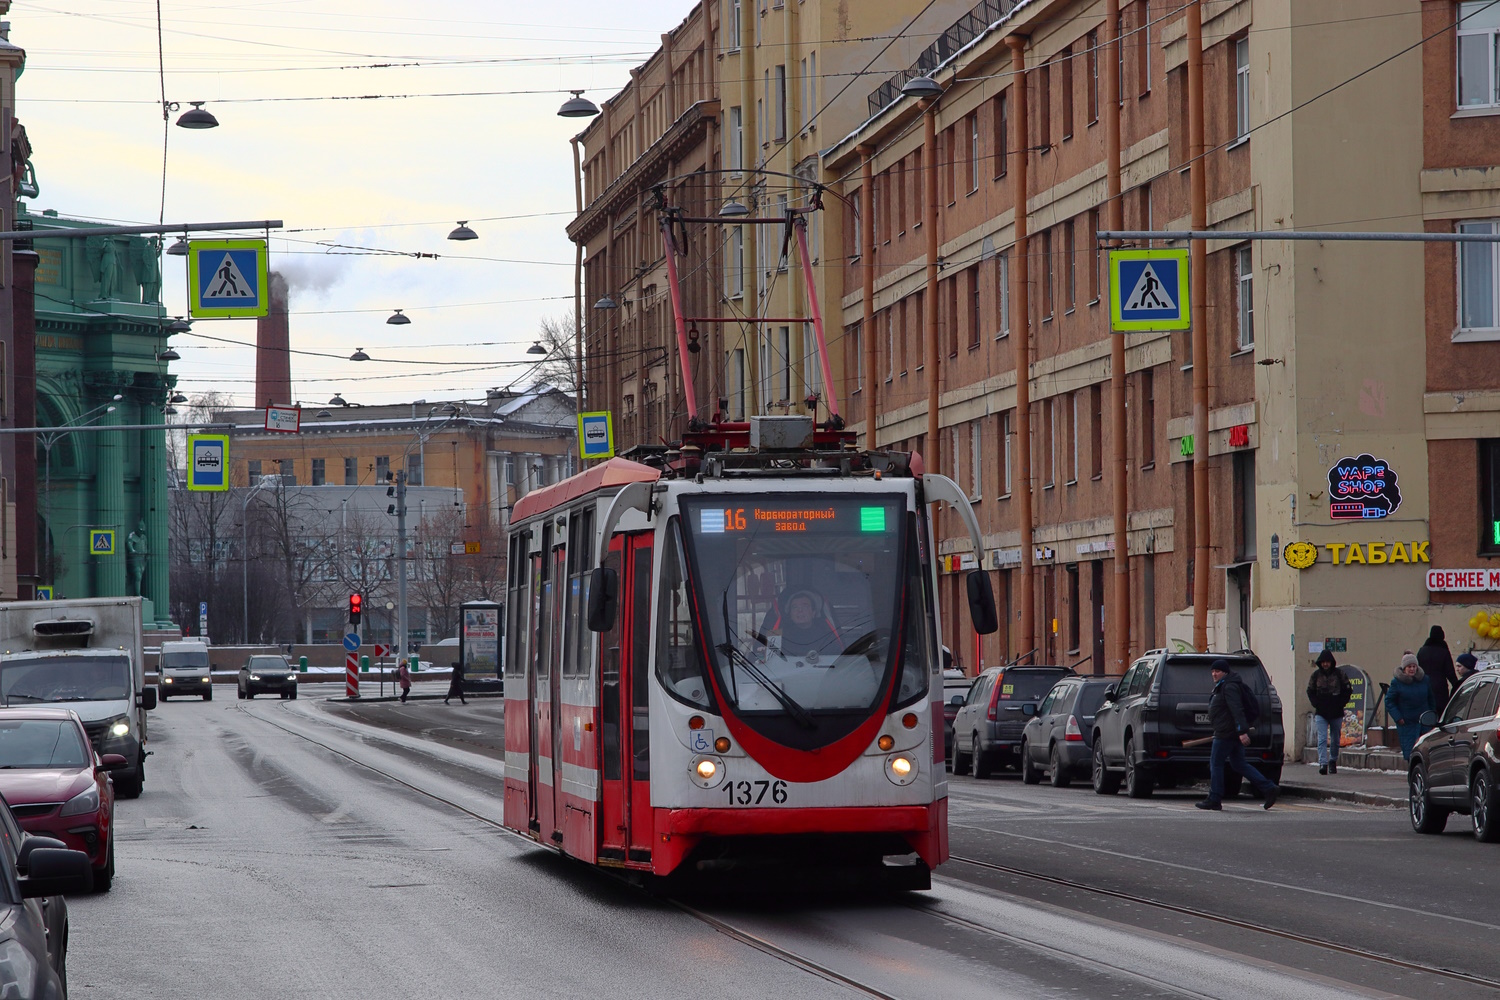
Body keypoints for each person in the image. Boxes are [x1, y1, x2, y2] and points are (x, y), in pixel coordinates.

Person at [1196, 660, 1279, 811]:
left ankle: (1214, 798)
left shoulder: (1229, 686)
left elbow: (1237, 709)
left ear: (1225, 672)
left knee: (1216, 763)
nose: (1214, 674)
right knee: (1238, 764)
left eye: (1218, 671)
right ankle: (1268, 788)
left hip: (1226, 733)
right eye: (1213, 671)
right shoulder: (1225, 684)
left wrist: (1242, 731)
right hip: (1230, 732)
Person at [1306, 649, 1352, 775]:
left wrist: (1341, 702)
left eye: (1328, 662)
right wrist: (1316, 703)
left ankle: (1332, 761)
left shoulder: (1339, 674)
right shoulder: (1316, 675)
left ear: (1332, 662)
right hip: (1321, 711)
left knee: (1335, 738)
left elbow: (1348, 689)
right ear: (1320, 663)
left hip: (1336, 711)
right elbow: (1310, 691)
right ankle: (1323, 763)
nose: (1325, 664)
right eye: (1323, 662)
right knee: (1321, 739)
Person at [1385, 653, 1434, 760]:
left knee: (1426, 752)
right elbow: (1389, 702)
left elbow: (1431, 699)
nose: (1412, 669)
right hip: (1407, 723)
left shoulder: (1424, 680)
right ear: (1404, 668)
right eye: (1409, 667)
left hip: (1424, 722)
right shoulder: (1397, 682)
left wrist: (1432, 715)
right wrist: (1398, 718)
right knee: (1411, 753)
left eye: (1414, 666)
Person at [767, 591, 840, 658]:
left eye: (805, 606)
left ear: (813, 613)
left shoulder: (827, 636)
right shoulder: (777, 637)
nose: (800, 610)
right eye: (795, 607)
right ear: (790, 615)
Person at [1418, 625, 1456, 714]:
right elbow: (1450, 672)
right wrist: (1457, 685)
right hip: (1440, 689)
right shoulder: (1443, 651)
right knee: (1440, 715)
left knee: (1426, 713)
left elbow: (1417, 669)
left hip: (1424, 687)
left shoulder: (1422, 651)